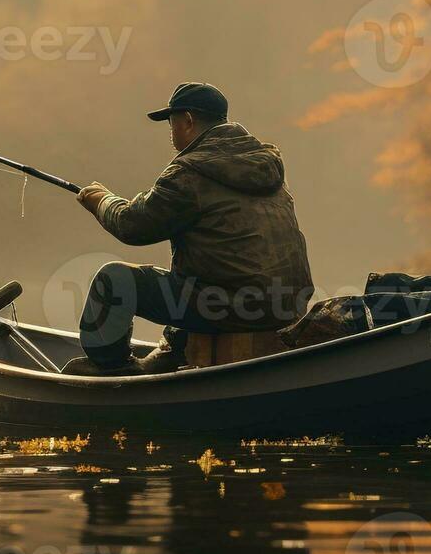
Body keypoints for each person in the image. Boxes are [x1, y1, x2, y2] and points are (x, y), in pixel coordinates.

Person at [63, 82, 315, 376]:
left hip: (233, 307)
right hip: (288, 305)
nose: (170, 131)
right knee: (194, 276)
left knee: (114, 279)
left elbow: (132, 226)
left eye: (170, 122)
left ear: (187, 121)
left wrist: (102, 201)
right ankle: (174, 350)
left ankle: (112, 368)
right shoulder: (264, 167)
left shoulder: (190, 171)